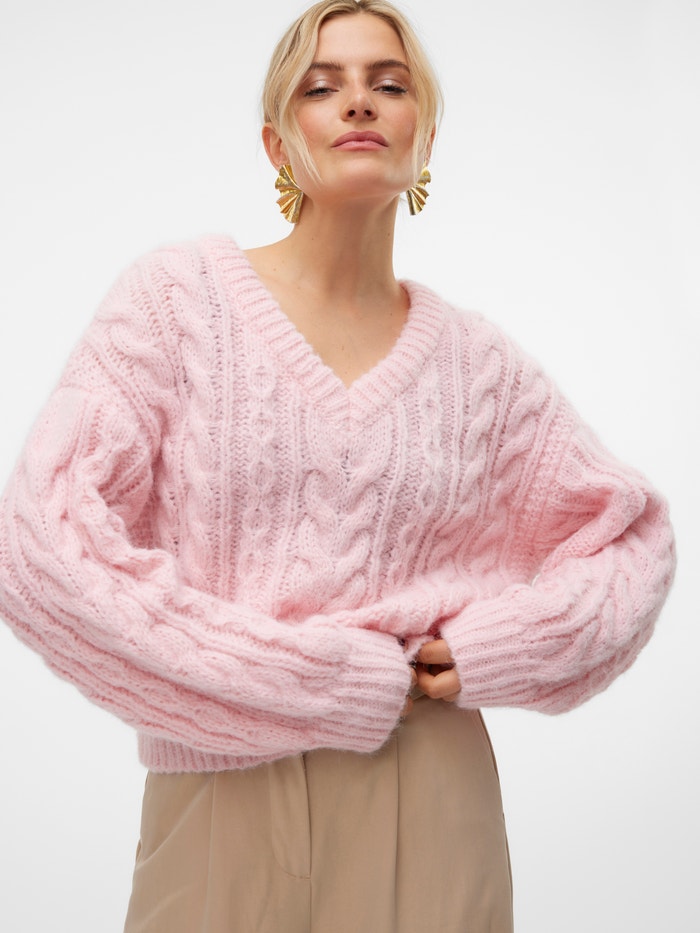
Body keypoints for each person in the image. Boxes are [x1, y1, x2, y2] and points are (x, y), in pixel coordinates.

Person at [0, 1, 675, 931]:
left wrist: (497, 647)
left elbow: (630, 541)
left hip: (432, 797)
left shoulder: (479, 366)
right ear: (278, 144)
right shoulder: (176, 303)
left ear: (425, 137)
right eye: (322, 88)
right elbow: (40, 545)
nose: (359, 101)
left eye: (389, 84)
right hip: (225, 803)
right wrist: (302, 681)